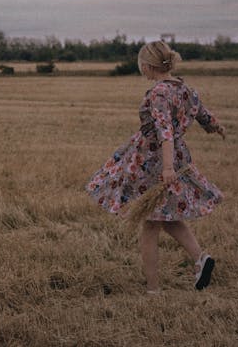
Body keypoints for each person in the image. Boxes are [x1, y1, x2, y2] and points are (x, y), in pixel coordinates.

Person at [86, 40, 226, 293]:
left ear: (148, 67)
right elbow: (203, 114)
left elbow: (165, 132)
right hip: (174, 157)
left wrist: (168, 168)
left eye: (141, 64)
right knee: (165, 217)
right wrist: (216, 127)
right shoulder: (186, 90)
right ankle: (200, 258)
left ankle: (153, 290)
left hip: (154, 161)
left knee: (150, 224)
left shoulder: (159, 93)